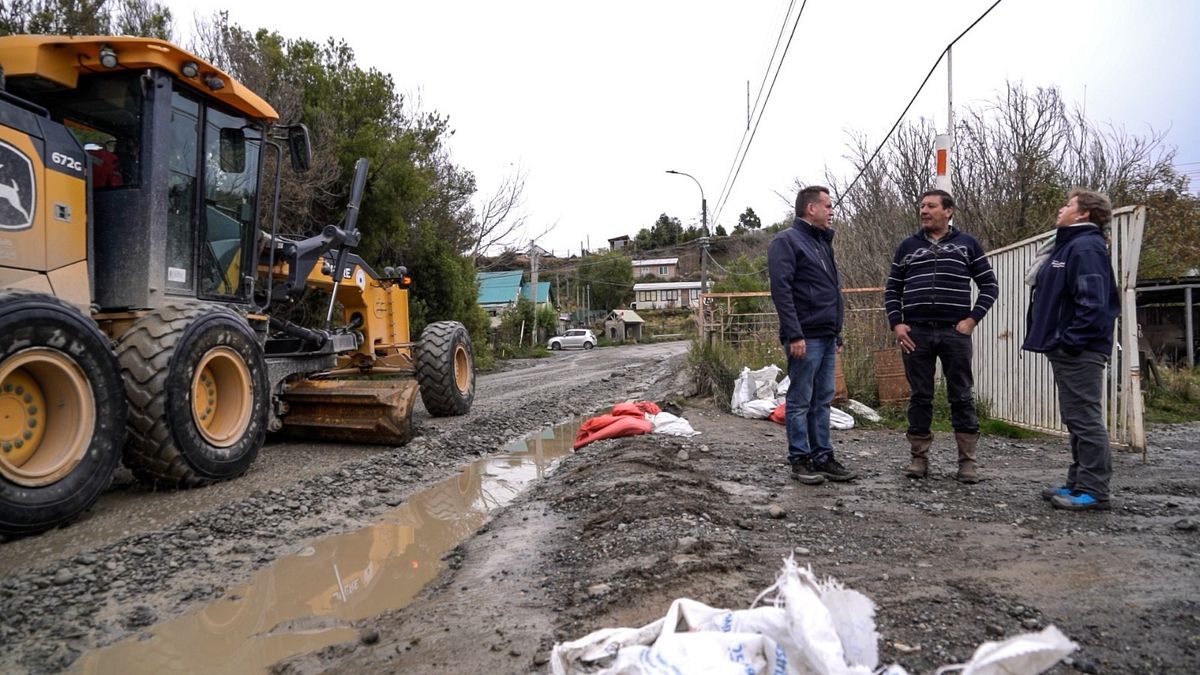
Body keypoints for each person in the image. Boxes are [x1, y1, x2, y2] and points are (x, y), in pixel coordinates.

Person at [884, 189, 998, 483]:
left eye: (931, 206)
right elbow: (892, 289)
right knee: (920, 395)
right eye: (922, 206)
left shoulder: (967, 244)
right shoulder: (907, 246)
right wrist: (897, 324)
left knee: (961, 394)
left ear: (948, 211)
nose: (924, 211)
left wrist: (972, 320)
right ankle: (918, 459)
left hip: (954, 333)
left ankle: (967, 463)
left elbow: (989, 286)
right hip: (916, 333)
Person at [1022, 189, 1120, 511]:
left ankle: (1094, 491)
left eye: (1068, 205)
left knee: (1085, 418)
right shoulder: (1069, 245)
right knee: (1076, 417)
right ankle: (1078, 483)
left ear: (1083, 214)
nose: (1061, 209)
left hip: (1080, 350)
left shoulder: (1086, 247)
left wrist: (1070, 341)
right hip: (1069, 348)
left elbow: (1093, 302)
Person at [768, 185, 855, 484]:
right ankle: (800, 459)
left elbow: (831, 290)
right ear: (811, 208)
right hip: (804, 336)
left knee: (822, 400)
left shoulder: (821, 242)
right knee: (801, 399)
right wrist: (794, 334)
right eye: (828, 206)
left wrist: (837, 333)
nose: (832, 211)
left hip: (826, 335)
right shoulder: (787, 241)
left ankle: (823, 456)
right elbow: (782, 291)